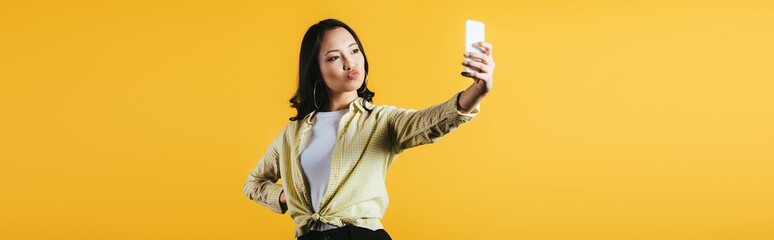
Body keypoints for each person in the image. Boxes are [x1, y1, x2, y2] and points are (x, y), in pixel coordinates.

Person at [243, 18, 495, 240]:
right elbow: (253, 184)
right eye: (333, 57)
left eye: (354, 51)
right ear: (316, 71)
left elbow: (431, 122)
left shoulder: (381, 120)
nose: (349, 62)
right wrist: (287, 197)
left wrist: (477, 91)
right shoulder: (292, 135)